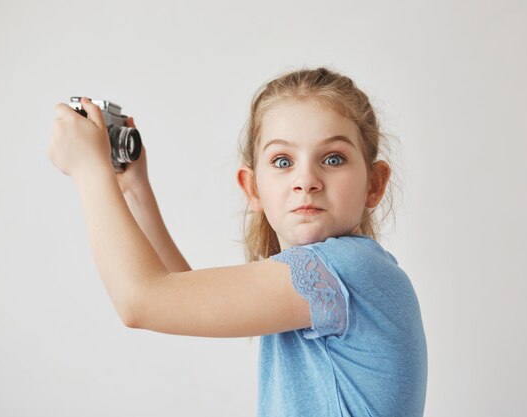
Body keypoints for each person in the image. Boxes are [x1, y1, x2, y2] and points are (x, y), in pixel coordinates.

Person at [47, 67, 428, 417]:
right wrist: (135, 189)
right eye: (282, 161)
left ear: (374, 184)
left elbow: (141, 301)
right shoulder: (333, 281)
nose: (306, 180)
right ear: (252, 187)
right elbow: (179, 294)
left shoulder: (349, 270)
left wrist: (88, 168)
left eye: (332, 159)